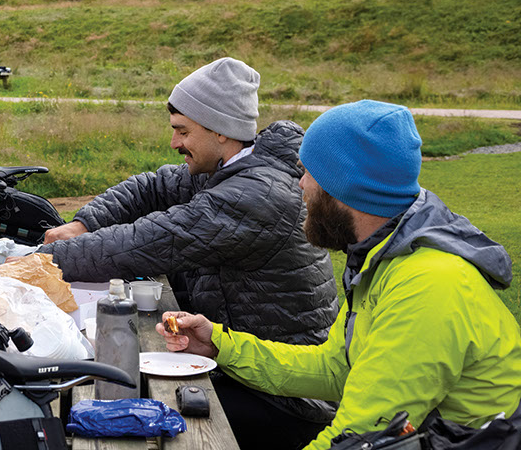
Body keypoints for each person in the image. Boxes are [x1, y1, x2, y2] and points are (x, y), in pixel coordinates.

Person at [159, 100, 521, 450]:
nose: (300, 185)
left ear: (343, 187)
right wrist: (219, 345)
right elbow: (333, 368)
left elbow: (362, 435)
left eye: (308, 172)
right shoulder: (385, 261)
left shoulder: (429, 285)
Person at [38, 57, 338, 449]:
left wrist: (38, 264)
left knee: (128, 421)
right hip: (236, 365)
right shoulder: (227, 169)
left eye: (183, 131)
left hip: (283, 397)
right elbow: (153, 186)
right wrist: (84, 223)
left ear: (220, 131)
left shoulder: (256, 195)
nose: (174, 143)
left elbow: (149, 242)